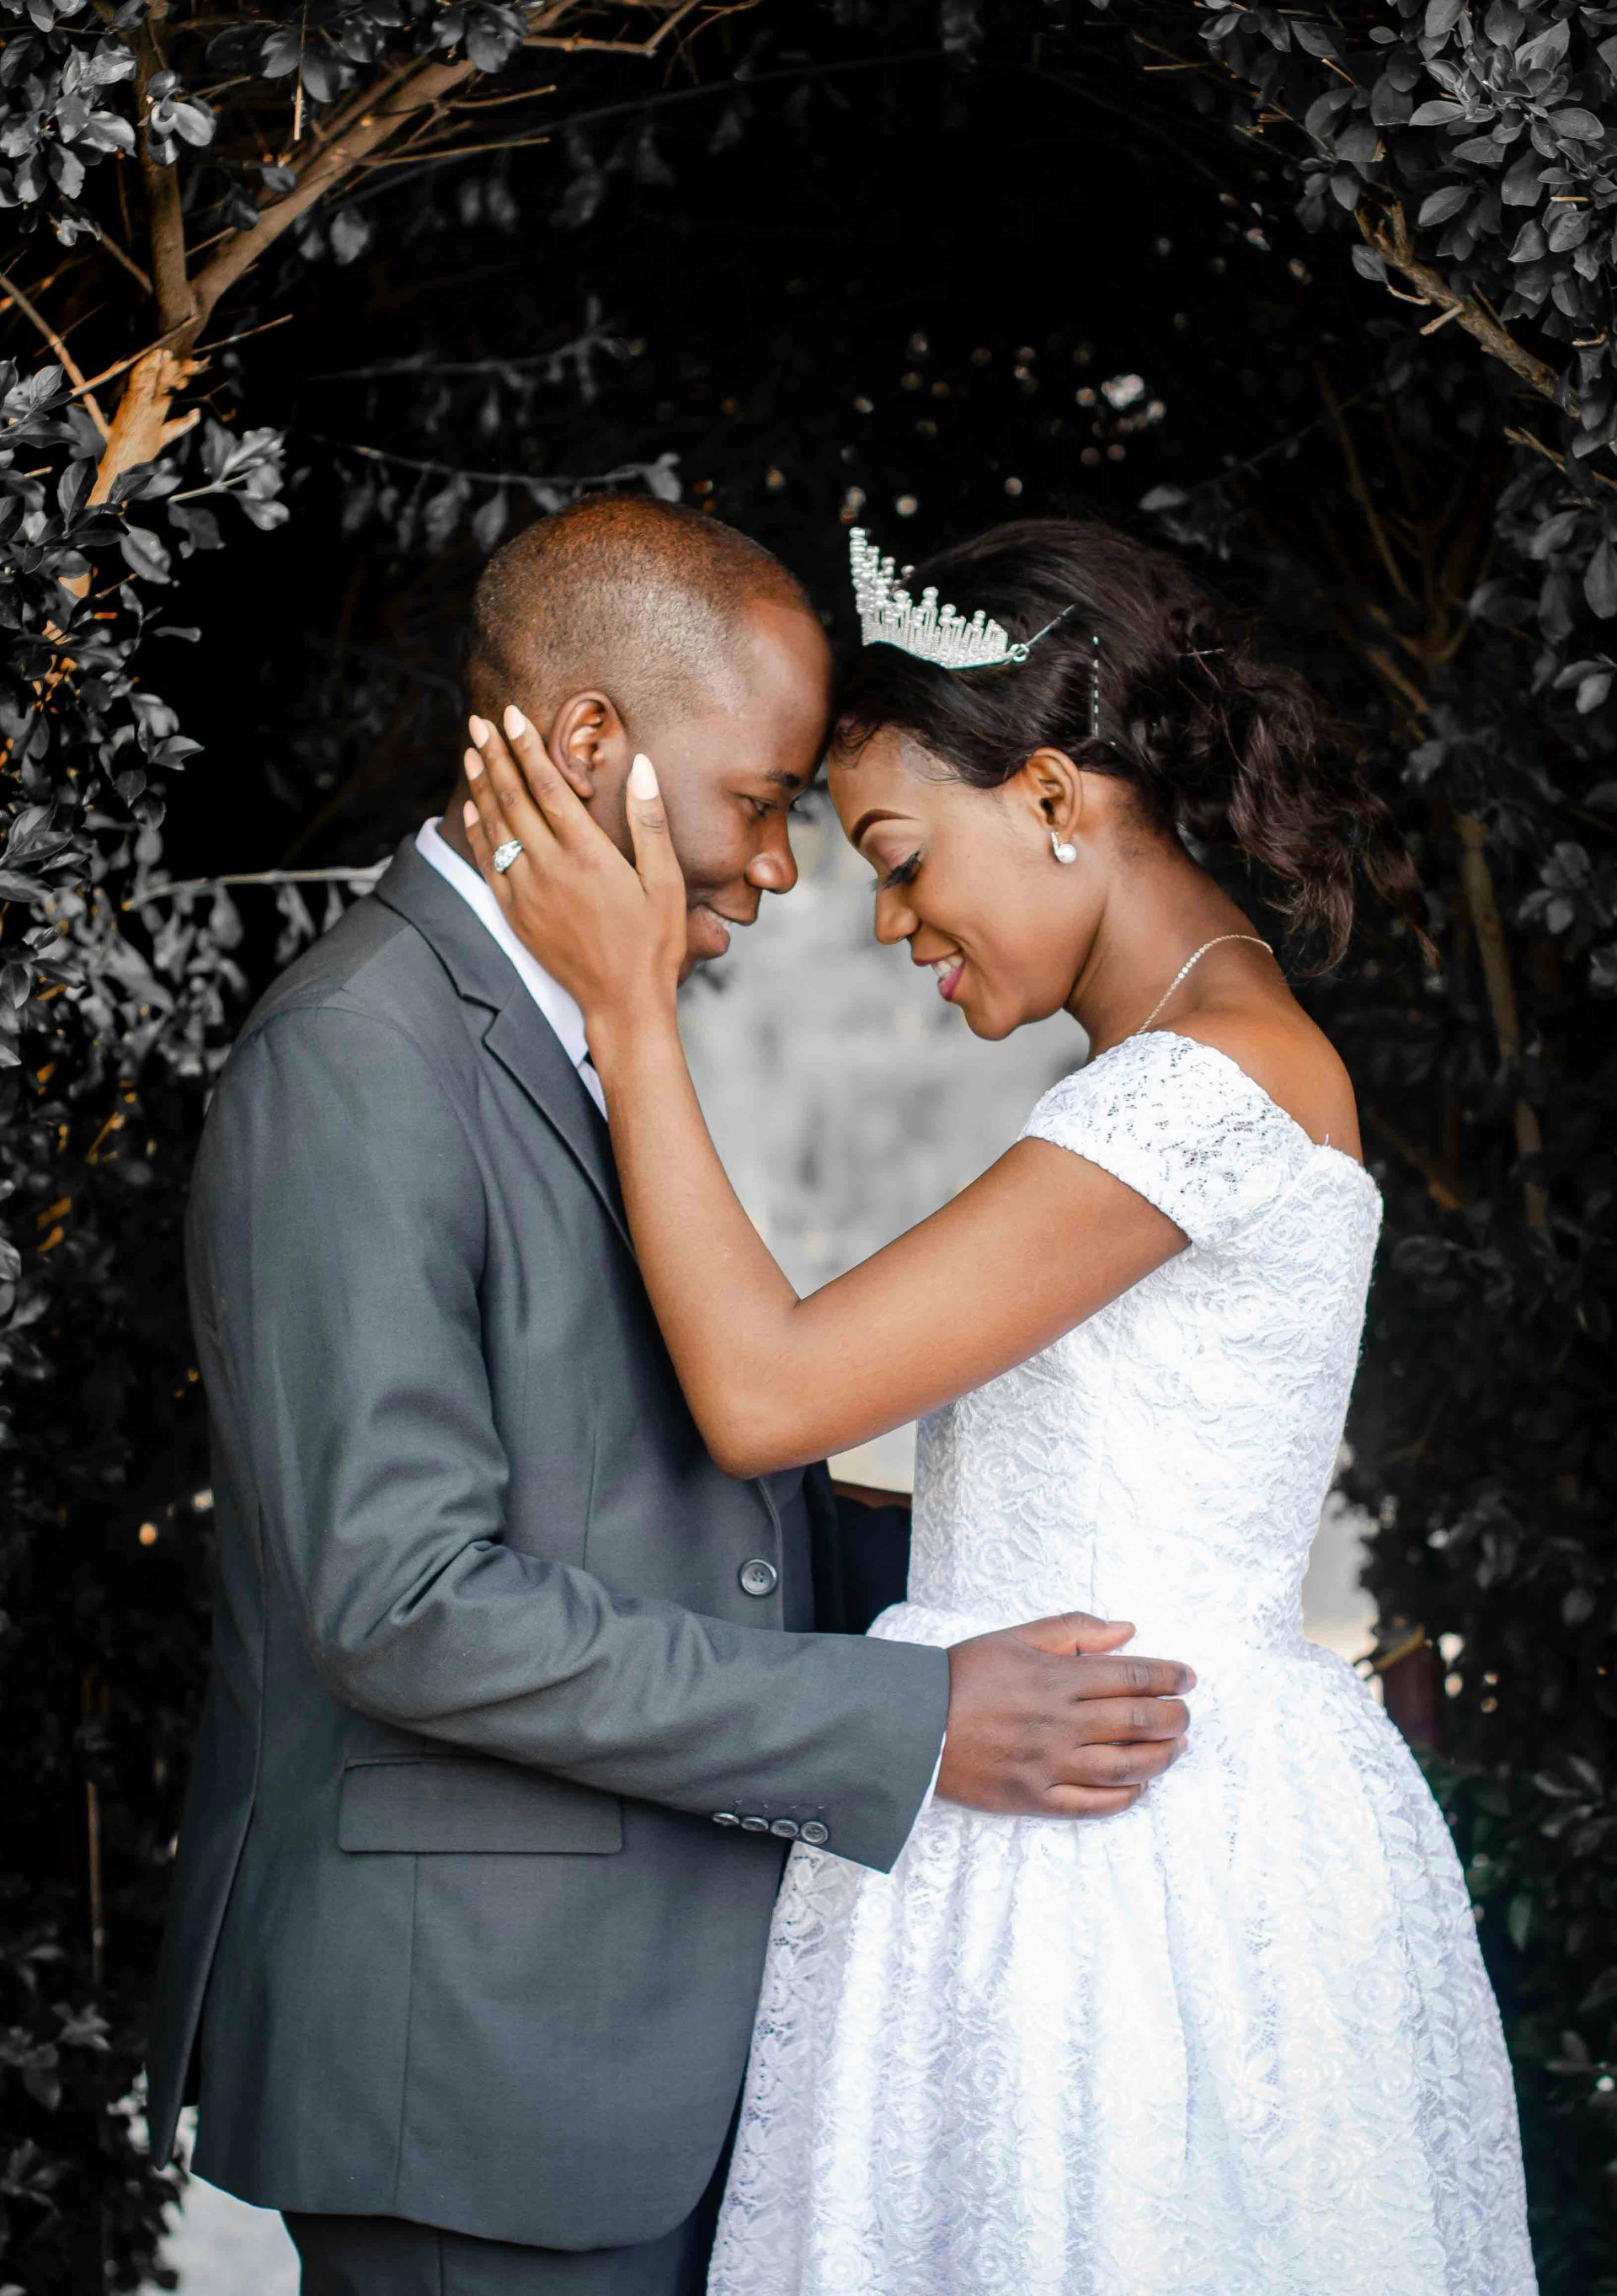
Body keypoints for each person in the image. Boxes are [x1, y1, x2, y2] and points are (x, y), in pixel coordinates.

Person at [461, 515, 1538, 2296]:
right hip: (1086, 1791)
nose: (889, 925)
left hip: (1110, 1859)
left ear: (1050, 792)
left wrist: (629, 1011)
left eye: (896, 855)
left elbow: (765, 1390)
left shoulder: (1195, 1090)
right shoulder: (1187, 1064)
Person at [143, 497, 1198, 2296]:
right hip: (478, 2058)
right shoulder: (360, 1057)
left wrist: (1026, 1551)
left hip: (629, 2038)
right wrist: (903, 1718)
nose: (784, 878)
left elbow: (646, 1490)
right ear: (585, 746)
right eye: (766, 807)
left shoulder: (567, 1030)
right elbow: (405, 1607)